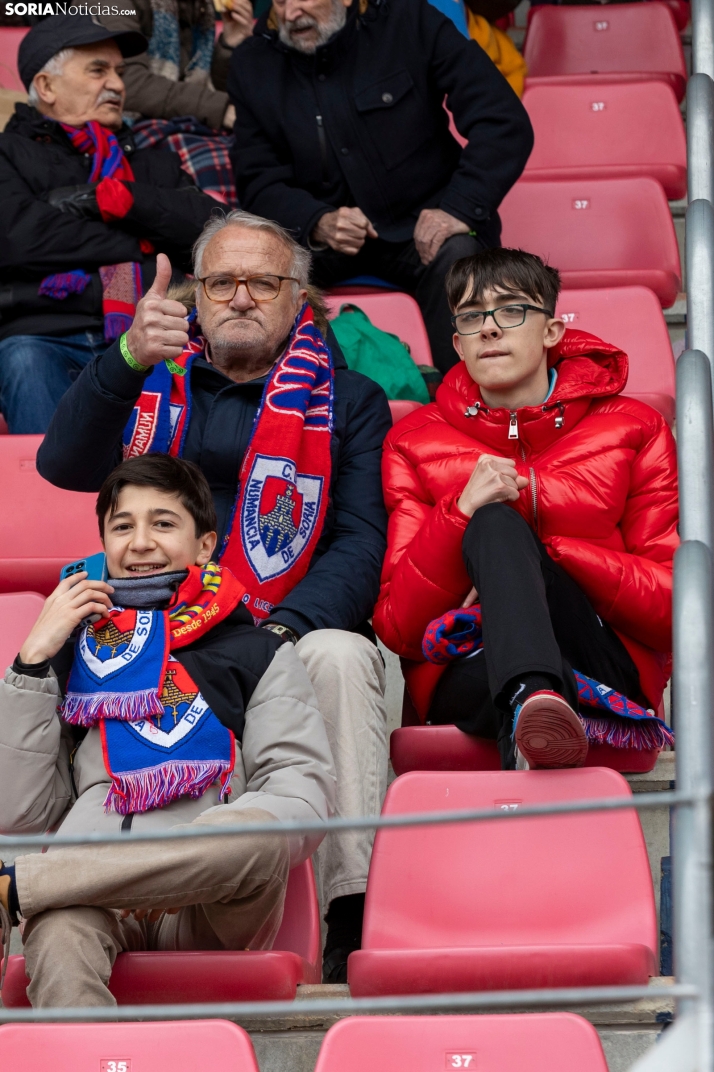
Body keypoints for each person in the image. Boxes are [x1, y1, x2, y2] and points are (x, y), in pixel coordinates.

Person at [37, 208, 392, 983]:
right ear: (194, 297)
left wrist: (276, 635)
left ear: (299, 299)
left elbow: (361, 541)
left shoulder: (350, 399)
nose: (239, 297)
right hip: (157, 625)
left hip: (287, 629)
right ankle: (80, 882)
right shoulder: (146, 379)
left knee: (334, 655)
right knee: (59, 643)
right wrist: (125, 356)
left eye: (262, 281)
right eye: (221, 281)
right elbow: (62, 464)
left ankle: (348, 914)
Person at [0, 453, 335, 1007]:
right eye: (122, 526)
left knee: (249, 835)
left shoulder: (256, 652)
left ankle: (19, 888)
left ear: (205, 545)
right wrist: (32, 659)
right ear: (104, 544)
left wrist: (229, 827)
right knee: (59, 936)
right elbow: (19, 814)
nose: (140, 543)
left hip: (210, 905)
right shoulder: (68, 655)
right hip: (91, 901)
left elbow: (303, 796)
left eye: (162, 523)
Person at [374, 247, 677, 769]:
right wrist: (459, 513)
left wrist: (546, 555)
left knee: (501, 524)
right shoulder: (410, 442)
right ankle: (535, 704)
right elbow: (399, 628)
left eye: (511, 310)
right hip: (470, 662)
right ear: (458, 345)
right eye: (472, 318)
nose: (490, 329)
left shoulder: (635, 428)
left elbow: (674, 609)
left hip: (599, 656)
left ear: (552, 331)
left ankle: (529, 703)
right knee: (489, 518)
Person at [226, 0, 533, 375]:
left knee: (461, 260)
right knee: (253, 278)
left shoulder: (411, 21)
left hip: (425, 223)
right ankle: (292, 411)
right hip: (320, 241)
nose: (292, 14)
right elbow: (257, 180)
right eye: (281, 1)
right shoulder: (253, 63)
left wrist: (458, 208)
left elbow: (503, 123)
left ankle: (471, 405)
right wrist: (317, 220)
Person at [0, 15, 220, 434]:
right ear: (46, 87)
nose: (118, 85)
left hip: (156, 333)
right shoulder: (7, 153)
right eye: (98, 70)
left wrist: (127, 201)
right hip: (46, 334)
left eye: (119, 72)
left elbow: (211, 232)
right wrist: (142, 241)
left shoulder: (153, 160)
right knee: (24, 359)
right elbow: (19, 239)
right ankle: (53, 502)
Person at [98, 0, 252, 131]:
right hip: (120, 130)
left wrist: (229, 46)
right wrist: (220, 108)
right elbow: (124, 82)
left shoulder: (200, 6)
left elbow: (202, 88)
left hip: (183, 124)